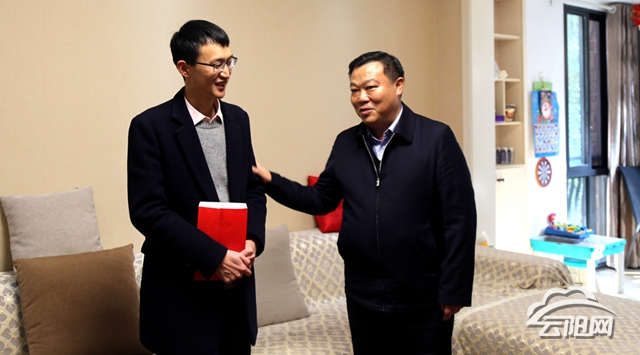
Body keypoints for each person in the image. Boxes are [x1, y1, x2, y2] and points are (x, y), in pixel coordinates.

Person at [253, 51, 476, 355]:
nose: (361, 98)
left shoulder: (436, 138)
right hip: (363, 295)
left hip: (422, 297)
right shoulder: (346, 143)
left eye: (370, 87)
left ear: (398, 85)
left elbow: (460, 218)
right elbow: (321, 199)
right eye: (354, 90)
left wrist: (454, 289)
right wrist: (270, 180)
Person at [128, 20, 267, 354]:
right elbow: (148, 211)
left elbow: (252, 189)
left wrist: (252, 239)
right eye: (216, 64)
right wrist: (214, 257)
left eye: (230, 62)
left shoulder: (238, 119)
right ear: (184, 68)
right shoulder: (150, 126)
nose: (226, 73)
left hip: (235, 293)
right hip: (180, 297)